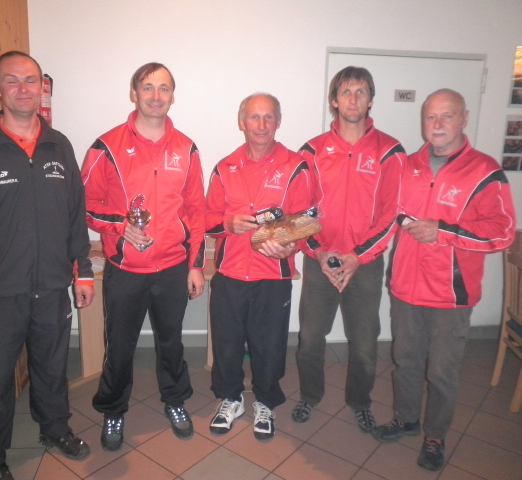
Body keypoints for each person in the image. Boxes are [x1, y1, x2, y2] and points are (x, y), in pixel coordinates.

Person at [0, 51, 94, 480]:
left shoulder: (59, 144)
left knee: (51, 369)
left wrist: (82, 271)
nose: (23, 89)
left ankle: (55, 428)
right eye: (12, 80)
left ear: (42, 87)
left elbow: (75, 215)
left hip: (52, 286)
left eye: (31, 80)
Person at [372, 89, 516, 471]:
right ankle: (406, 418)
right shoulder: (406, 166)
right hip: (405, 289)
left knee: (442, 372)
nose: (437, 124)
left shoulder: (485, 171)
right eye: (431, 117)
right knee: (405, 361)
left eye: (447, 116)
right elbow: (386, 219)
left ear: (464, 119)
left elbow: (503, 233)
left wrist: (445, 231)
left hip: (452, 296)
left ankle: (435, 436)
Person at [81, 62, 205, 451]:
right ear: (134, 93)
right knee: (119, 347)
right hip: (125, 269)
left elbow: (196, 212)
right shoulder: (106, 146)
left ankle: (175, 401)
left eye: (164, 88)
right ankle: (113, 409)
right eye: (148, 87)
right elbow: (84, 204)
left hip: (172, 268)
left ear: (173, 95)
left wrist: (196, 265)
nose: (156, 95)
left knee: (171, 343)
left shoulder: (186, 148)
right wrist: (119, 226)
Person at [292, 66, 406, 432]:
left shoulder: (390, 151)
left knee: (365, 344)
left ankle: (360, 401)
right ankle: (310, 396)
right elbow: (300, 211)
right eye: (346, 92)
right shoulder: (312, 151)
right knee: (310, 339)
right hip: (320, 261)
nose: (353, 99)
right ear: (334, 101)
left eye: (360, 92)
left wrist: (359, 256)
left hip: (365, 265)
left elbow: (392, 213)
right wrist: (319, 252)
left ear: (371, 100)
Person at [205, 93, 312, 440]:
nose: (261, 125)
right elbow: (206, 220)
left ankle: (265, 402)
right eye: (254, 117)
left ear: (278, 122)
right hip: (230, 274)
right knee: (227, 344)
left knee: (269, 345)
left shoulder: (296, 166)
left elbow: (304, 221)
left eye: (268, 117)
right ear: (242, 122)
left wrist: (290, 246)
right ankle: (231, 399)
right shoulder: (224, 168)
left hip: (272, 276)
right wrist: (227, 223)